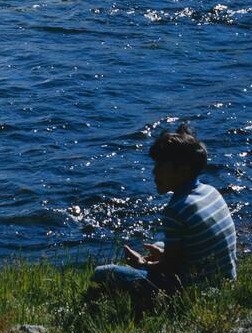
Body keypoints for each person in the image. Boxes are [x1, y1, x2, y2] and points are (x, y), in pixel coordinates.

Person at [88, 122, 237, 317]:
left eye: (160, 166)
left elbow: (170, 269)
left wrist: (141, 264)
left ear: (182, 170)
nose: (154, 172)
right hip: (225, 286)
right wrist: (164, 254)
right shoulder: (211, 192)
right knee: (160, 245)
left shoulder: (176, 209)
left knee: (103, 272)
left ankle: (117, 308)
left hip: (193, 295)